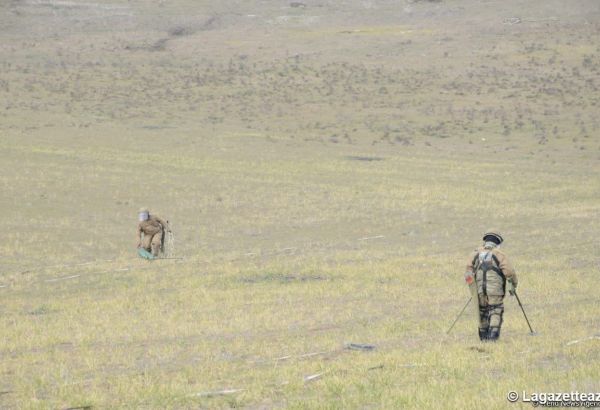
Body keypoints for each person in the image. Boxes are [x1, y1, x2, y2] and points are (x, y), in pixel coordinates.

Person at [464, 230, 518, 341]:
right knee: (495, 310)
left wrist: (473, 289)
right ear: (497, 243)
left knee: (482, 310)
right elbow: (509, 272)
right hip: (495, 289)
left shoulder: (475, 253)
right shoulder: (499, 254)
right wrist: (514, 284)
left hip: (479, 289)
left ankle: (483, 337)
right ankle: (493, 337)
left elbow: (468, 272)